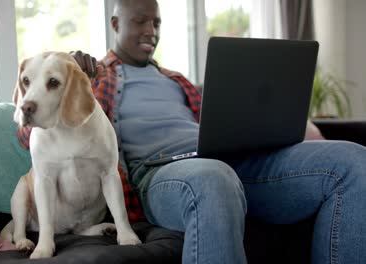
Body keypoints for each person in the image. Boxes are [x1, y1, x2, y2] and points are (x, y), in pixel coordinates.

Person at [18, 0, 366, 263]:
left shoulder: (176, 80)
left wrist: (282, 123)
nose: (150, 30)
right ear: (114, 23)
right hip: (161, 173)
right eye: (139, 21)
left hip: (221, 157)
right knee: (214, 177)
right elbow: (31, 136)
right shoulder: (92, 77)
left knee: (352, 160)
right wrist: (73, 78)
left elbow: (217, 123)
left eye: (155, 22)